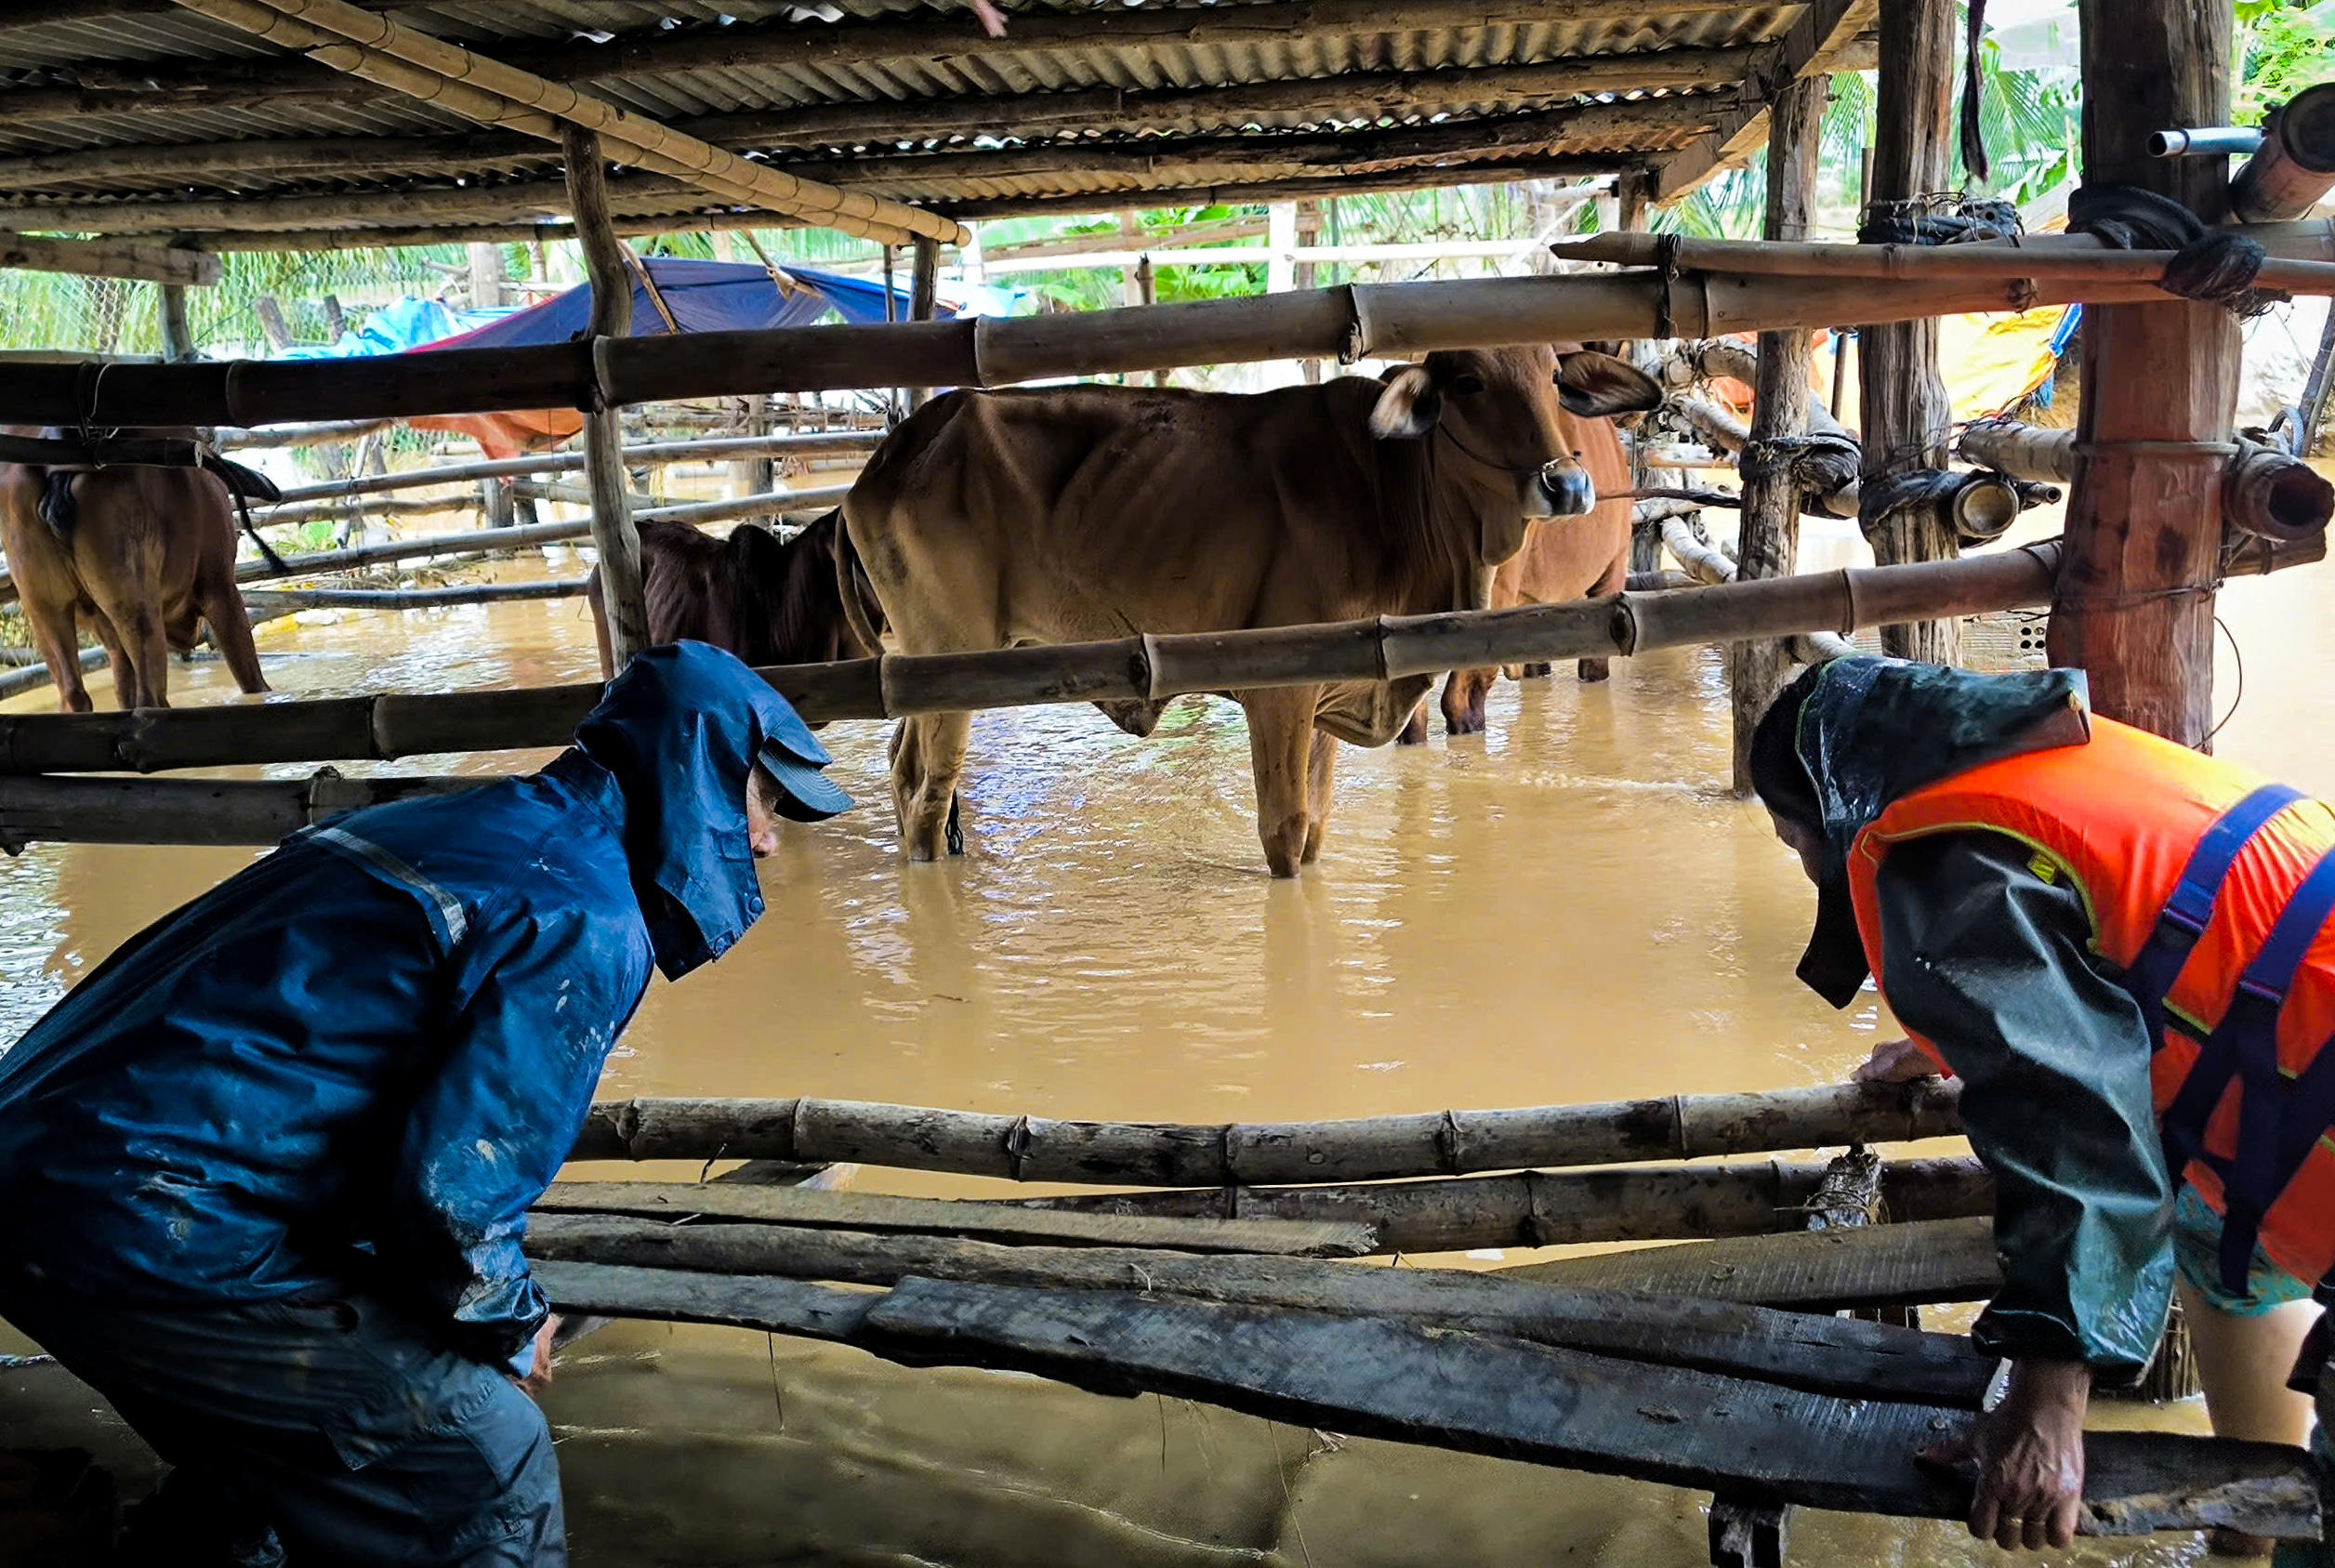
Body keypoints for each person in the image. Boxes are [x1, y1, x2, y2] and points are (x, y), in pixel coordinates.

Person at [0, 640, 852, 1567]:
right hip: (149, 1218)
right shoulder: (585, 915)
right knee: (484, 1456)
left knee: (283, 1450)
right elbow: (451, 1195)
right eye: (761, 800)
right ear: (691, 771)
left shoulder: (452, 825)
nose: (766, 840)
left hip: (43, 1169)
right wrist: (514, 1326)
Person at [1750, 653, 2335, 1559]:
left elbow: (2075, 1120)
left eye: (1794, 844)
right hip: (2304, 1038)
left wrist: (2046, 1407)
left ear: (1830, 810)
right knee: (2214, 1240)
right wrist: (1956, 1038)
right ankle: (2242, 1532)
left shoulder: (1933, 854)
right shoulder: (2055, 762)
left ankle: (2282, 1534)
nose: (1803, 867)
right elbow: (2136, 960)